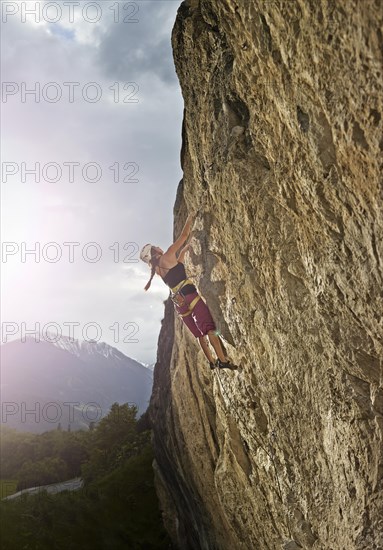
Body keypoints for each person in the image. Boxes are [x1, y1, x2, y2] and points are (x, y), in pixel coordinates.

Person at [140, 213, 237, 370]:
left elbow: (175, 270)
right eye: (155, 246)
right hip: (189, 293)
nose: (158, 246)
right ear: (154, 251)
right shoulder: (168, 254)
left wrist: (184, 253)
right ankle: (222, 360)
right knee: (209, 328)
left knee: (199, 334)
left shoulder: (157, 269)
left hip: (179, 303)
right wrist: (190, 217)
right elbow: (184, 235)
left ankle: (211, 362)